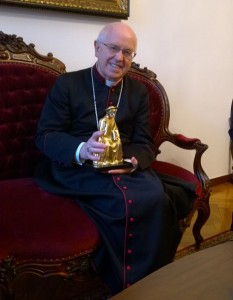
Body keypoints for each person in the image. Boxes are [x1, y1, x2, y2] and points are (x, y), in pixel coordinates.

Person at [35, 22, 197, 295]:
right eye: (112, 48)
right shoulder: (67, 85)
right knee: (122, 201)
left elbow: (144, 141)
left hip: (125, 167)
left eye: (127, 52)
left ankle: (152, 281)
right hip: (78, 167)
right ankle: (120, 283)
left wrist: (133, 161)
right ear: (97, 48)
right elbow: (45, 135)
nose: (119, 57)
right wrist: (82, 149)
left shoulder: (138, 91)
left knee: (157, 198)